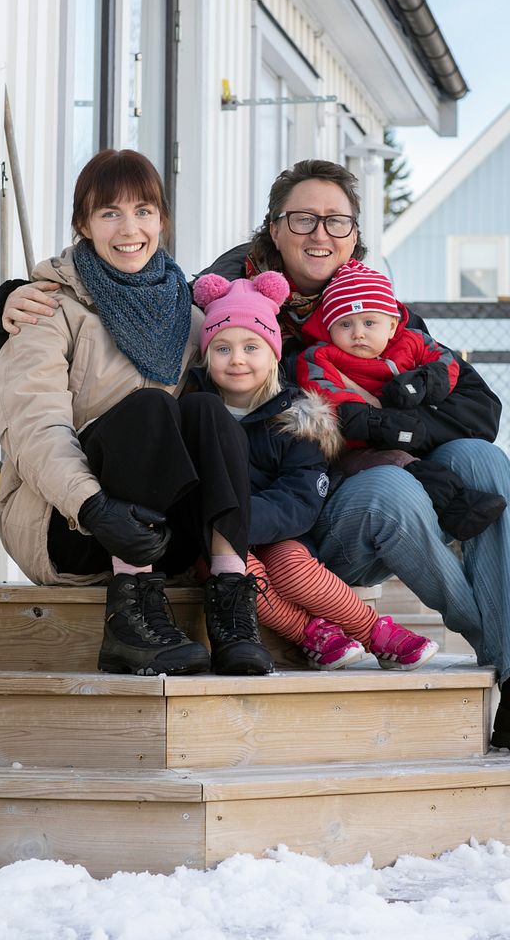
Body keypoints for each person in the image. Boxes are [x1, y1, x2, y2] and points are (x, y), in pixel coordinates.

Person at [0, 158, 510, 755]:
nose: (320, 234)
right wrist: (10, 301)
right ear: (273, 227)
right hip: (253, 514)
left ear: (355, 234)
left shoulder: (371, 302)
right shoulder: (219, 294)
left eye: (336, 220)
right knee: (383, 490)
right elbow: (105, 337)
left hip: (308, 492)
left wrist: (387, 433)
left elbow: (479, 408)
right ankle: (509, 640)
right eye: (302, 218)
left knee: (481, 460)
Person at [0, 148, 273, 678]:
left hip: (161, 531)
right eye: (110, 213)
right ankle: (132, 614)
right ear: (83, 224)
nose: (130, 228)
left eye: (144, 211)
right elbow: (33, 430)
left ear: (162, 221)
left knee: (208, 413)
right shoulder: (45, 310)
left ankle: (231, 601)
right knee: (148, 408)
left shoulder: (189, 320)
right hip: (69, 525)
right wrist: (95, 507)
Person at [188, 270, 438, 671]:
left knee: (292, 564)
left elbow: (301, 496)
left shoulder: (298, 418)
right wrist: (226, 526)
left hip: (280, 531)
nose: (237, 359)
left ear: (273, 354)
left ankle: (375, 631)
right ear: (206, 354)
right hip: (214, 541)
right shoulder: (195, 412)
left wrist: (239, 518)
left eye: (252, 346)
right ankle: (311, 634)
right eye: (222, 348)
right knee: (238, 572)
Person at [295, 257, 510, 541]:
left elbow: (445, 362)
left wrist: (426, 381)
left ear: (392, 325)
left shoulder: (412, 340)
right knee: (403, 463)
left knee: (445, 436)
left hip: (414, 420)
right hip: (366, 441)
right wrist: (376, 421)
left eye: (369, 322)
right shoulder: (320, 356)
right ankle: (456, 506)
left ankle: (501, 478)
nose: (358, 334)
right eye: (344, 325)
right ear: (329, 329)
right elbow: (326, 395)